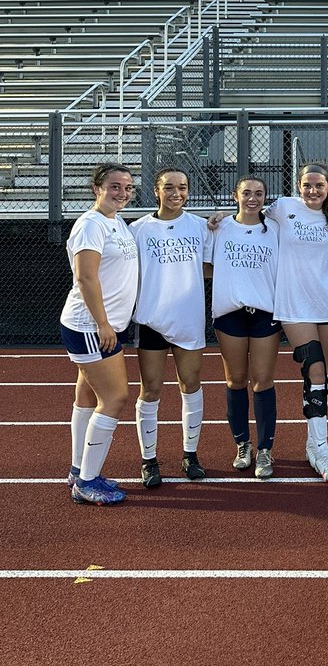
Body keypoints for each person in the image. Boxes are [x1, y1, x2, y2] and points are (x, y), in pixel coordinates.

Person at [60, 163, 139, 505]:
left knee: (87, 398)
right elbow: (86, 277)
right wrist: (104, 324)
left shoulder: (115, 221)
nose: (122, 192)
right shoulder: (91, 224)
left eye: (127, 187)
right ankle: (87, 482)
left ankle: (79, 469)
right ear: (97, 188)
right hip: (91, 326)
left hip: (99, 325)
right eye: (115, 186)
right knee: (116, 398)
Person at [130, 167, 213, 488]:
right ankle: (149, 460)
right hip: (151, 320)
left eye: (183, 187)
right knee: (150, 390)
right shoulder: (138, 229)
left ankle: (190, 455)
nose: (176, 193)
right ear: (156, 191)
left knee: (190, 385)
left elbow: (208, 268)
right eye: (169, 187)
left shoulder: (200, 227)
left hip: (189, 318)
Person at [266, 163, 328, 484]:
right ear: (298, 185)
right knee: (312, 364)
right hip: (293, 302)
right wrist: (218, 219)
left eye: (319, 186)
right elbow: (248, 212)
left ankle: (313, 445)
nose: (312, 191)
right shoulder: (283, 207)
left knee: (320, 374)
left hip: (326, 300)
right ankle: (324, 451)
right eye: (307, 185)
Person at [206, 177, 280, 480]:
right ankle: (242, 444)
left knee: (262, 380)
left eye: (259, 193)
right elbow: (206, 266)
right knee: (236, 380)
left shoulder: (275, 228)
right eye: (246, 193)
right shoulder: (219, 227)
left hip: (265, 312)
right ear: (235, 195)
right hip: (230, 314)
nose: (253, 198)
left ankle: (265, 449)